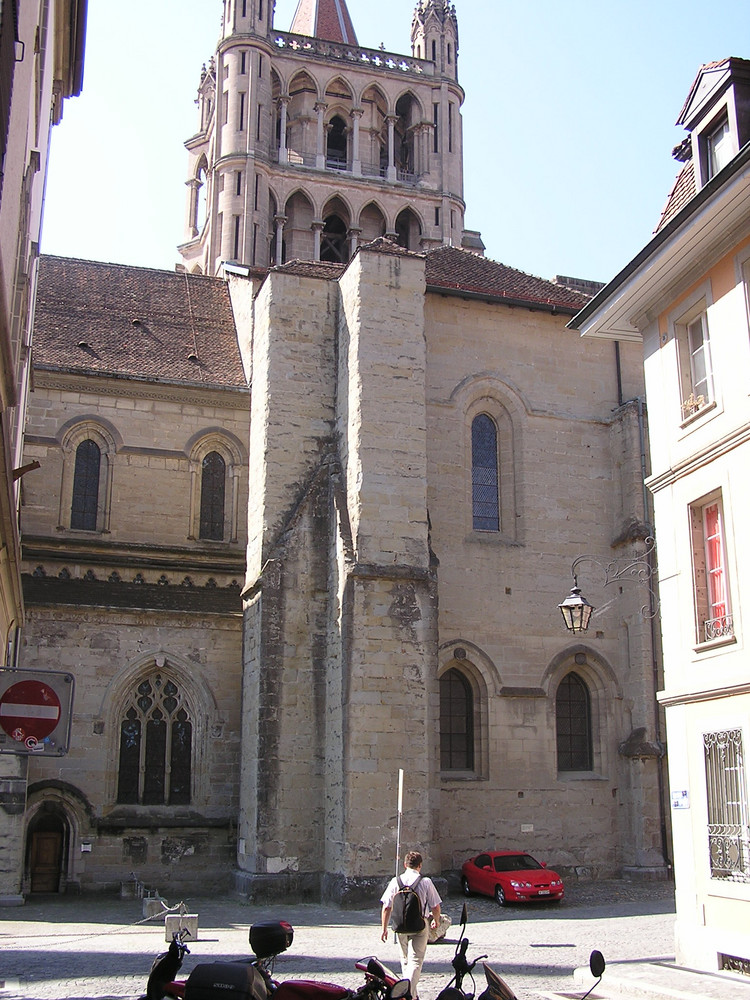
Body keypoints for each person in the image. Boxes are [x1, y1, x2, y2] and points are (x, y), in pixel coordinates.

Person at [380, 851, 442, 1000]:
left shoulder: (395, 881)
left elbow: (386, 907)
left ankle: (411, 994)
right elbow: (435, 906)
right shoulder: (425, 882)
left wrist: (384, 929)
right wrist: (436, 920)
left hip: (400, 926)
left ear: (405, 865)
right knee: (415, 961)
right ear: (420, 865)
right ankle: (407, 993)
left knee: (405, 960)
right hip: (420, 925)